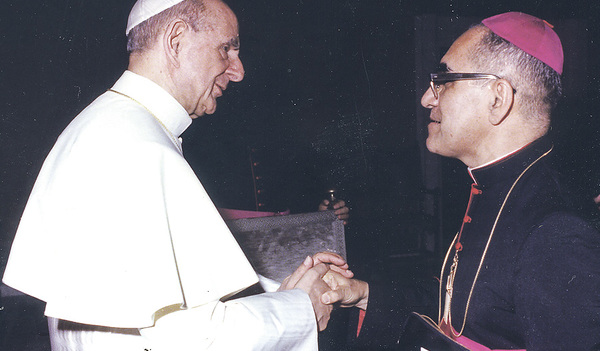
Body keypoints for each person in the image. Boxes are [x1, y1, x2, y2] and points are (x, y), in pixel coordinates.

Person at [2, 0, 352, 350]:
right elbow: (194, 339)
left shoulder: (105, 124)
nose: (238, 70)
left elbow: (171, 298)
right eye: (226, 48)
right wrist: (302, 306)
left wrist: (283, 290)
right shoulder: (141, 147)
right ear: (176, 40)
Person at [319, 12, 600, 350]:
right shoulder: (495, 186)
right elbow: (463, 308)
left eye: (444, 80)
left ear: (497, 99)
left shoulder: (559, 232)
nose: (427, 98)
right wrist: (364, 293)